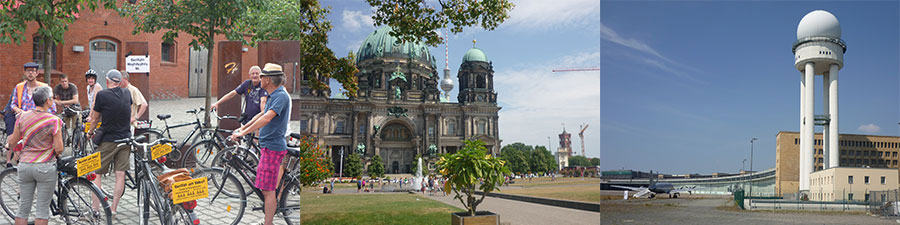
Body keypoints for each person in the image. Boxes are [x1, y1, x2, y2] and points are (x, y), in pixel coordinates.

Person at [229, 63, 291, 225]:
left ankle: (267, 222)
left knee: (268, 191)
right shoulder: (274, 95)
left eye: (262, 76)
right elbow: (260, 114)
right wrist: (243, 128)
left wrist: (242, 133)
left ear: (268, 80)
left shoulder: (280, 96)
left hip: (272, 147)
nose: (260, 78)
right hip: (268, 146)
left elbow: (267, 118)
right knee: (267, 189)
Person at [7, 86, 63, 225]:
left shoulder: (22, 116)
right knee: (42, 210)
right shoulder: (53, 120)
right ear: (48, 101)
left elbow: (13, 141)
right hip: (45, 167)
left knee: (23, 209)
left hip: (25, 166)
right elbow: (60, 148)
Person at [87, 70, 131, 216]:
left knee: (97, 173)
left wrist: (89, 132)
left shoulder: (102, 95)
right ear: (119, 81)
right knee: (120, 174)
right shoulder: (127, 93)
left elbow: (94, 118)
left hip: (108, 140)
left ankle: (96, 209)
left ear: (107, 81)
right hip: (125, 138)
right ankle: (113, 209)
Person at [53, 74, 80, 139]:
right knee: (65, 127)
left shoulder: (73, 87)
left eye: (65, 81)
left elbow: (75, 100)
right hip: (65, 110)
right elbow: (52, 99)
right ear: (60, 82)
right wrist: (57, 101)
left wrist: (61, 102)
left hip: (75, 109)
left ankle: (77, 144)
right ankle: (67, 139)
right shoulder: (57, 88)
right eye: (62, 81)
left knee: (76, 127)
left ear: (68, 81)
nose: (64, 83)